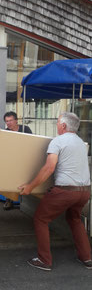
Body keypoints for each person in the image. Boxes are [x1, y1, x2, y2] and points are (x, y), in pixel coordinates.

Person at [19, 112, 92, 271]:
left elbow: (49, 168)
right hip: (84, 191)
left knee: (41, 219)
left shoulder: (57, 141)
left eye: (58, 122)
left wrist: (30, 186)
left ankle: (44, 260)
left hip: (65, 191)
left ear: (63, 126)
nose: (57, 125)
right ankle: (87, 258)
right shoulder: (81, 143)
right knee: (74, 219)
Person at [2, 111, 32, 210]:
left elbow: (31, 142)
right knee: (9, 178)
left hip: (25, 158)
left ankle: (26, 199)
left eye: (10, 120)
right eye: (7, 121)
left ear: (16, 121)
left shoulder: (25, 129)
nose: (9, 123)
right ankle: (9, 199)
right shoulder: (5, 132)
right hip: (11, 159)